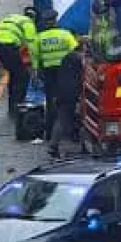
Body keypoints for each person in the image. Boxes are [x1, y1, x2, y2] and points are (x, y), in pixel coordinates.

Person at [34, 9, 78, 143]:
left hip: (48, 73)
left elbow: (36, 58)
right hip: (65, 72)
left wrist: (36, 73)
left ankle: (49, 132)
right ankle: (70, 133)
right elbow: (75, 51)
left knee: (51, 102)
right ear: (55, 20)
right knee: (68, 101)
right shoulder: (65, 35)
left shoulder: (39, 38)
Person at [0, 6, 38, 114]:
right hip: (9, 46)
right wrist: (35, 66)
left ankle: (12, 105)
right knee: (23, 77)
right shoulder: (28, 23)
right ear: (34, 18)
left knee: (14, 74)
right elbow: (33, 46)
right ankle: (18, 106)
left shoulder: (12, 18)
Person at [48, 37, 87, 159]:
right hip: (73, 92)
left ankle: (53, 145)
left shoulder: (67, 56)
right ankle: (84, 146)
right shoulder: (80, 59)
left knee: (62, 119)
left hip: (61, 91)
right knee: (82, 119)